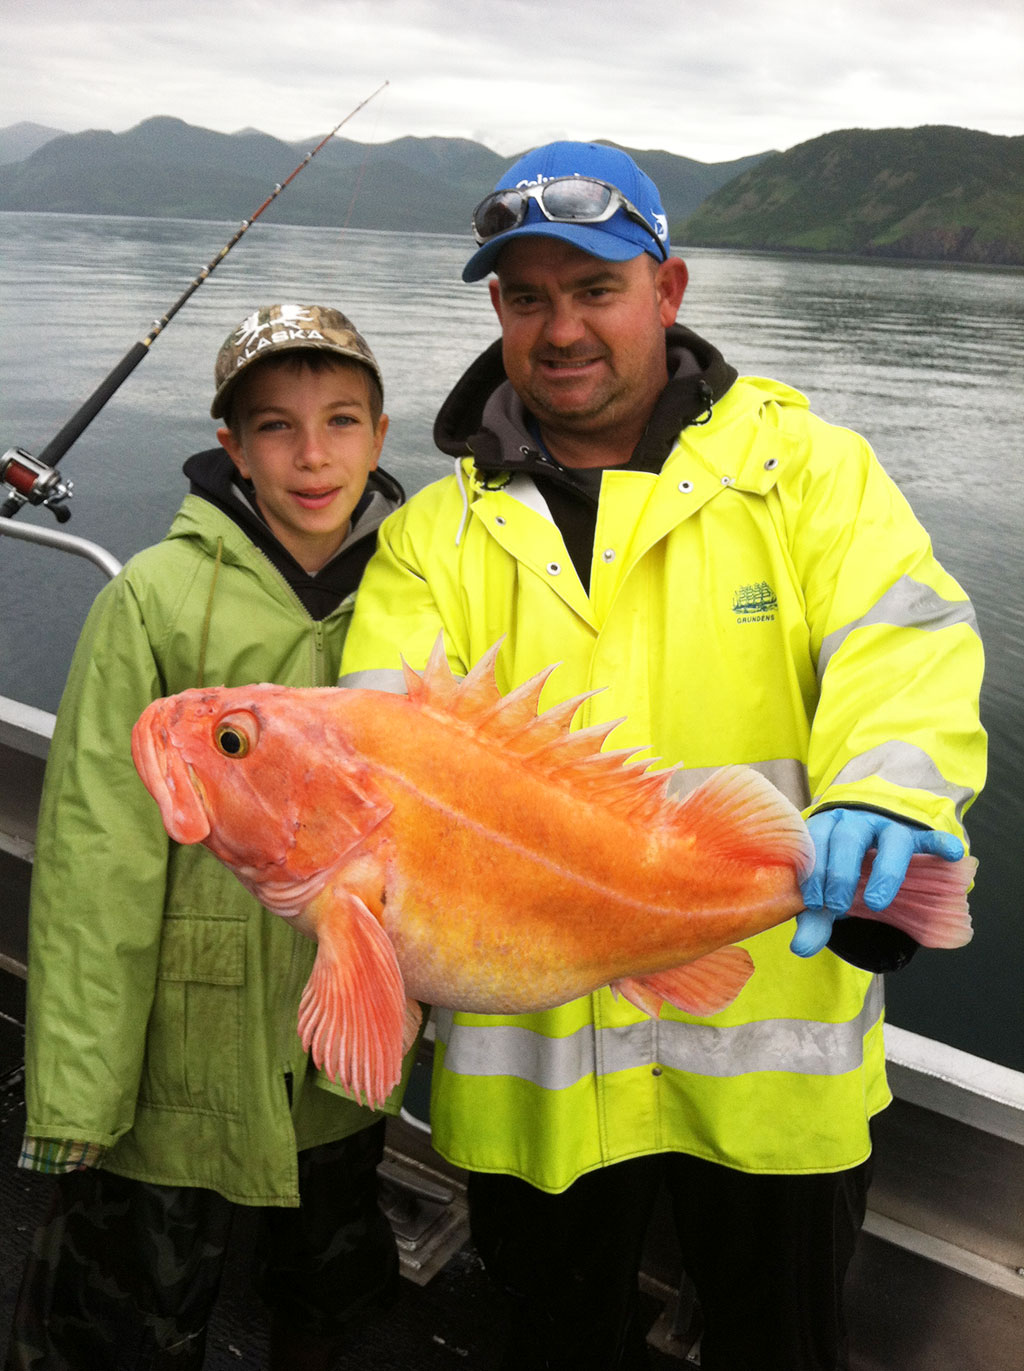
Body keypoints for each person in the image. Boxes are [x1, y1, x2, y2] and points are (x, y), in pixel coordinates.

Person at [337, 143, 987, 1371]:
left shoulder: (810, 473)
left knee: (779, 1345)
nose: (560, 329)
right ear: (497, 311)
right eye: (527, 298)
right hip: (533, 1082)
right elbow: (371, 745)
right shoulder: (429, 540)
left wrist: (886, 795)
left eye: (595, 288)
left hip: (770, 1067)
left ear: (667, 288)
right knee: (552, 1344)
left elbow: (904, 645)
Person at [8, 304, 410, 1371]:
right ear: (232, 445)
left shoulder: (421, 595)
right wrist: (79, 1094)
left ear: (381, 433)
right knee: (120, 1326)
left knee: (327, 1310)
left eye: (341, 420)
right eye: (276, 425)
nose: (313, 454)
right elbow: (97, 866)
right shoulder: (151, 601)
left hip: (338, 1069)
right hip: (171, 1073)